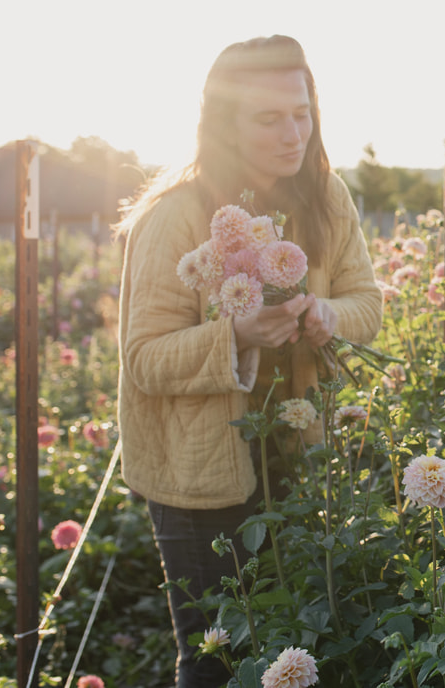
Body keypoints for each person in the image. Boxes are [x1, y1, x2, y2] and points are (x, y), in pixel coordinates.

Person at [115, 35, 383, 687]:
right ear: (225, 124)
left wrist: (327, 316)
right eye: (269, 118)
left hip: (301, 451)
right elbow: (144, 357)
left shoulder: (325, 196)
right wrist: (239, 337)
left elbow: (366, 302)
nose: (293, 132)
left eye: (302, 111)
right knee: (218, 661)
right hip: (203, 473)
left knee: (298, 649)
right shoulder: (175, 215)